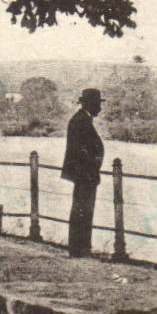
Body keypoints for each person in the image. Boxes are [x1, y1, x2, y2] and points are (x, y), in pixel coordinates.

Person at [61, 88, 104, 258]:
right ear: (89, 104)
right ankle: (80, 248)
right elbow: (82, 150)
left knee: (82, 209)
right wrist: (92, 166)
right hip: (85, 174)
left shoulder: (81, 120)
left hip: (84, 174)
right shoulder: (81, 121)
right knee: (83, 209)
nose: (99, 108)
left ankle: (80, 247)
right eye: (98, 104)